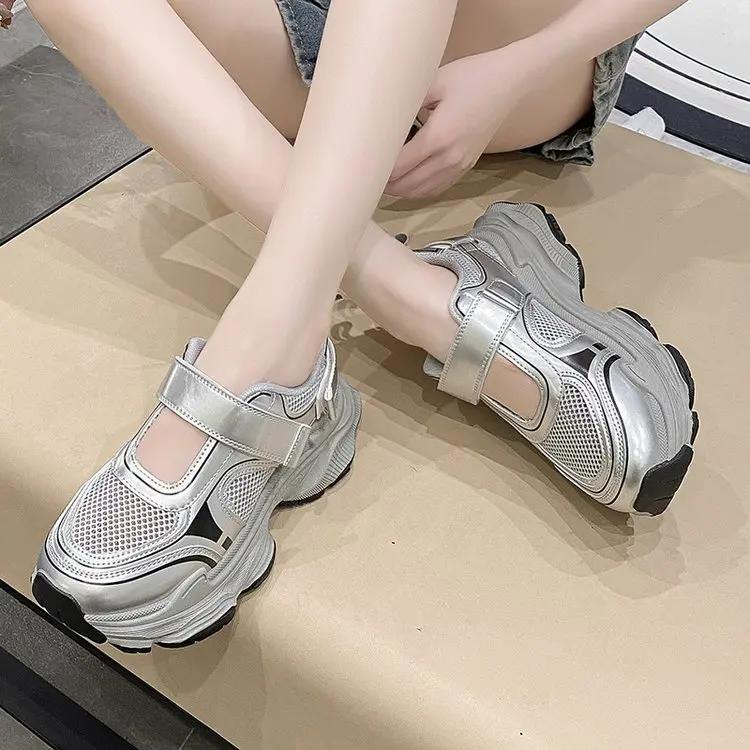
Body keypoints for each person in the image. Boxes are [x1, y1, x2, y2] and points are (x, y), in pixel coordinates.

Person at [20, 0, 696, 651]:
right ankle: (414, 296)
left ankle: (270, 354)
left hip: (510, 60)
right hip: (333, 43)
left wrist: (517, 67)